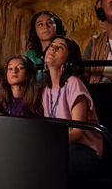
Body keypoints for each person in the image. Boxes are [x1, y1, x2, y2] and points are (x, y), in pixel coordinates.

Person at [42, 36, 103, 177]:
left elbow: (77, 132)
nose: (53, 48)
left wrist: (48, 141)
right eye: (52, 45)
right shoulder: (46, 90)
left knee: (45, 164)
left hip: (82, 150)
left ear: (68, 60)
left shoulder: (74, 83)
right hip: (58, 147)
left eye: (60, 47)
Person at [25, 11, 68, 81]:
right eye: (40, 24)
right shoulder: (29, 56)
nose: (45, 26)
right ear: (35, 30)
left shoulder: (68, 50)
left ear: (57, 26)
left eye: (50, 22)